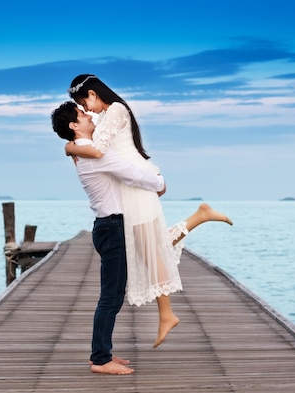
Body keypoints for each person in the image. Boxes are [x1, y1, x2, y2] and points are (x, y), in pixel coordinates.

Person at [66, 74, 232, 348]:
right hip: (130, 184)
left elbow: (96, 151)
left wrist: (68, 146)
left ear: (94, 94)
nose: (86, 110)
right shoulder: (105, 117)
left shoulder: (116, 110)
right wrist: (73, 145)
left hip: (136, 182)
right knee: (147, 248)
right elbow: (93, 150)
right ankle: (198, 219)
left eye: (84, 103)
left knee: (147, 248)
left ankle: (167, 313)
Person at [51, 101, 168, 374]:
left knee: (112, 295)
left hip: (109, 227)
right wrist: (160, 183)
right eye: (82, 114)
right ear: (73, 125)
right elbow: (134, 174)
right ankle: (100, 359)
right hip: (112, 227)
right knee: (110, 297)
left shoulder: (83, 151)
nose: (89, 115)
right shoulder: (93, 155)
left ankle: (103, 354)